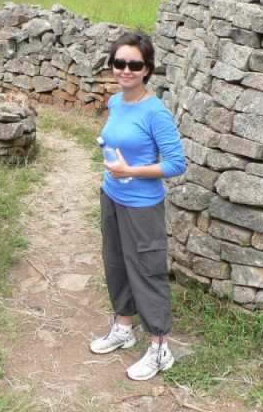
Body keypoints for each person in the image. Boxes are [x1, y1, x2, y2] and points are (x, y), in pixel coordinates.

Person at [89, 31, 186, 381]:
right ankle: (124, 327)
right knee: (115, 263)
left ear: (147, 69)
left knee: (147, 270)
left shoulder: (155, 111)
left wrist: (130, 170)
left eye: (134, 64)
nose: (125, 70)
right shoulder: (117, 102)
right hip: (112, 196)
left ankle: (160, 347)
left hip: (143, 206)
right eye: (119, 63)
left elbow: (176, 164)